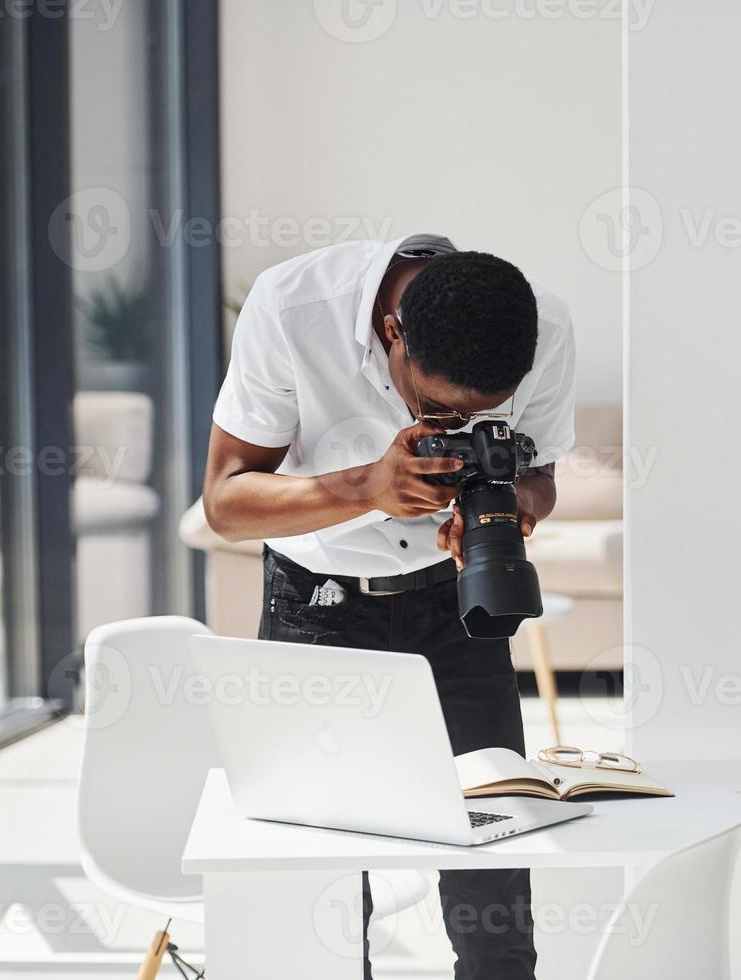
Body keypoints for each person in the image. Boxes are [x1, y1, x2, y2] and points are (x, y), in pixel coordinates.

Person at [201, 233, 575, 979]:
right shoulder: (293, 307)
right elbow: (225, 503)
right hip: (320, 607)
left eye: (478, 415)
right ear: (392, 333)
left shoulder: (545, 327)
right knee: (326, 889)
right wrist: (366, 487)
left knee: (493, 882)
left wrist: (511, 508)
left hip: (459, 608)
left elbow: (542, 476)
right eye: (436, 407)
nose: (450, 427)